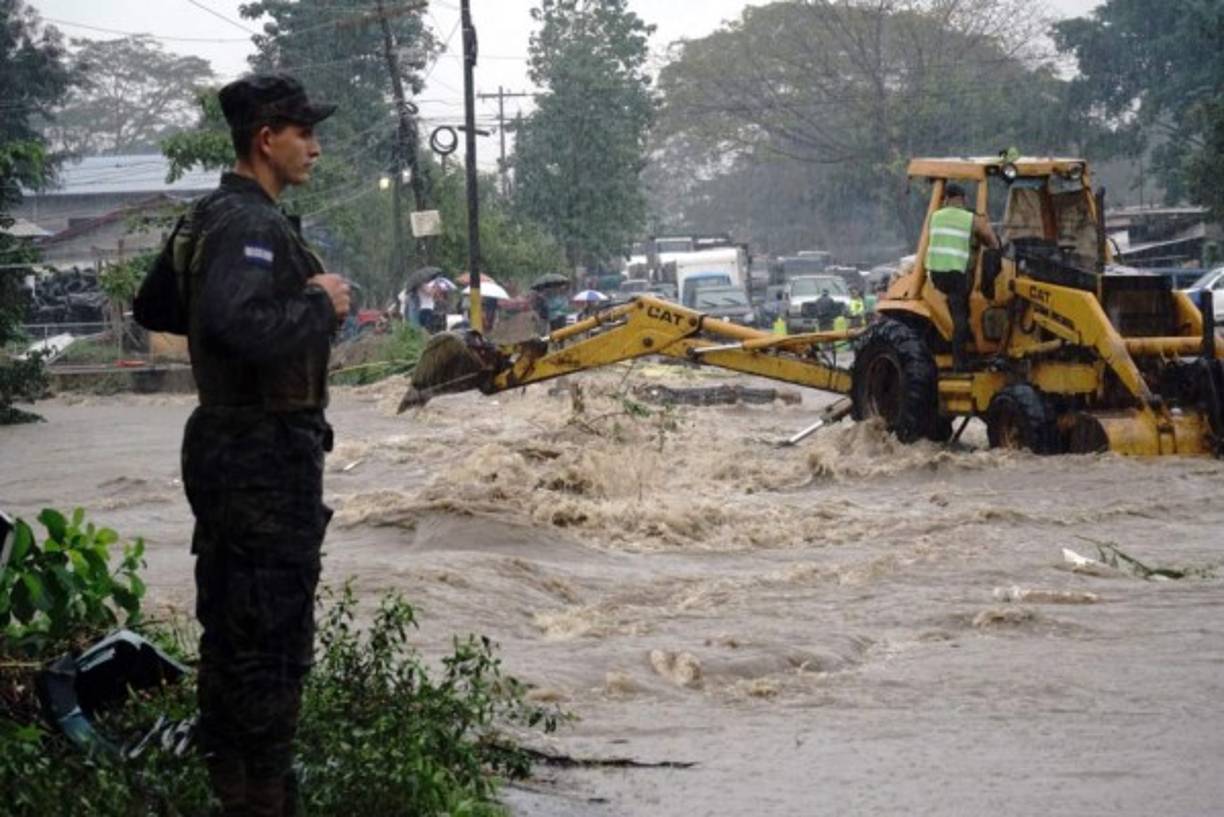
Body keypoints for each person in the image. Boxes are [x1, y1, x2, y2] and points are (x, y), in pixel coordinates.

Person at [175, 74, 349, 816]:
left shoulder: (205, 217)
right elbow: (233, 327)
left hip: (226, 442)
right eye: (301, 130)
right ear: (264, 139)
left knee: (231, 626)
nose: (314, 145)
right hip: (263, 450)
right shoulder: (250, 224)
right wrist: (318, 302)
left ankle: (231, 790)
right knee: (273, 637)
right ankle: (263, 798)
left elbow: (160, 302)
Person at [925, 182, 999, 370]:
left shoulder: (934, 217)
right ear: (963, 199)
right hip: (957, 274)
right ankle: (960, 361)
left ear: (946, 199)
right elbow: (993, 243)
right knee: (961, 316)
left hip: (936, 275)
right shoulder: (969, 219)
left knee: (954, 308)